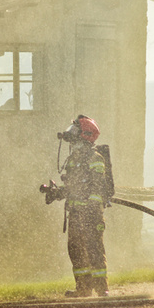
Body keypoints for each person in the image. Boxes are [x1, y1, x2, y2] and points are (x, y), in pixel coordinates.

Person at [43, 115, 109, 297]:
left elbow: (98, 187)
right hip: (75, 214)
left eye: (74, 131)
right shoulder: (73, 160)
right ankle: (83, 289)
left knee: (94, 250)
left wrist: (90, 209)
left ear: (86, 134)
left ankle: (102, 289)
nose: (70, 134)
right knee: (76, 251)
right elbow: (72, 187)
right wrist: (58, 193)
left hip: (91, 214)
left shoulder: (95, 158)